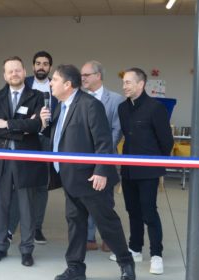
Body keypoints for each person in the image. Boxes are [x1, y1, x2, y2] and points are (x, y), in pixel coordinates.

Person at [39, 64, 135, 280]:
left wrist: (101, 170)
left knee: (106, 223)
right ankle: (75, 268)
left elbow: (103, 141)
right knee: (75, 223)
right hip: (70, 177)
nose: (51, 83)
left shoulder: (90, 105)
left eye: (54, 79)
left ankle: (126, 265)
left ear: (68, 84)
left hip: (92, 178)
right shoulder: (60, 106)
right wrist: (44, 123)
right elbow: (58, 139)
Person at [0, 56, 47, 267]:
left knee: (26, 207)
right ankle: (0, 247)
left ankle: (27, 250)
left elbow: (37, 126)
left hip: (25, 159)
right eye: (10, 71)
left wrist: (7, 124)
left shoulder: (37, 96)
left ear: (24, 71)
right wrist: (22, 126)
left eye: (18, 70)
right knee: (1, 205)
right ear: (4, 75)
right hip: (1, 159)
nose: (14, 74)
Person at [112, 67, 174, 275]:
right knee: (132, 210)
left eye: (129, 82)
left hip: (148, 171)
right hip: (128, 169)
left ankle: (156, 255)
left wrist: (155, 164)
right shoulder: (122, 108)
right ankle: (135, 248)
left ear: (141, 84)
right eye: (124, 82)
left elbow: (166, 142)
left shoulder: (155, 108)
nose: (124, 86)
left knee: (149, 212)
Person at [0, 50, 58, 244]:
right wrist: (26, 125)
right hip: (24, 141)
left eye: (46, 64)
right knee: (19, 184)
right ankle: (10, 227)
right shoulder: (23, 84)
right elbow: (10, 117)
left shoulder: (55, 85)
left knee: (42, 186)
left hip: (47, 141)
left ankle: (37, 228)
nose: (42, 66)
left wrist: (31, 123)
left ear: (50, 67)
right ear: (31, 67)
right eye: (38, 63)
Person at [80, 60, 125, 252]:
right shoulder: (78, 98)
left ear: (98, 76)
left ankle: (109, 237)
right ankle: (89, 238)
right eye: (81, 75)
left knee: (106, 201)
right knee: (87, 199)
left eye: (86, 75)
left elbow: (117, 129)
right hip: (83, 160)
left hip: (106, 158)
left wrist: (102, 151)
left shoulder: (115, 100)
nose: (82, 79)